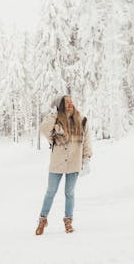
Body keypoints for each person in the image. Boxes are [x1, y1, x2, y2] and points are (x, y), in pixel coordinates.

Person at [35, 94, 92, 235]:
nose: (70, 103)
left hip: (74, 162)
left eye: (70, 101)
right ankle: (43, 220)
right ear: (60, 106)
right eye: (66, 102)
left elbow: (87, 142)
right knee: (50, 192)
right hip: (57, 163)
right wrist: (54, 114)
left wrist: (86, 159)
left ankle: (68, 221)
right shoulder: (55, 123)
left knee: (69, 193)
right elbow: (43, 129)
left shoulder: (82, 120)